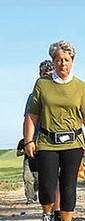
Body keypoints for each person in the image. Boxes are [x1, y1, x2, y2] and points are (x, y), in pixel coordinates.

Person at [23, 41, 85, 221]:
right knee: (48, 186)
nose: (62, 64)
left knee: (68, 186)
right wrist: (28, 141)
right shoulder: (42, 84)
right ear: (53, 61)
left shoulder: (80, 86)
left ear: (72, 61)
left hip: (73, 143)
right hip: (47, 142)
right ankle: (47, 217)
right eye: (58, 60)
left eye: (66, 60)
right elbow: (32, 115)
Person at [18, 60, 55, 204]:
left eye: (50, 74)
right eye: (44, 74)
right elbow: (28, 120)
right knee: (45, 179)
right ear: (39, 75)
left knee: (57, 179)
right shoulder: (33, 96)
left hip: (59, 141)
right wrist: (28, 141)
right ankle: (49, 211)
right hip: (40, 141)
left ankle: (58, 213)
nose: (47, 77)